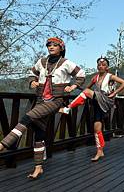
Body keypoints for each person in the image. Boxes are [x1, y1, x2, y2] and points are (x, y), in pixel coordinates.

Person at [0, 37, 85, 179]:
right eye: (49, 45)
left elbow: (81, 74)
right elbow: (32, 73)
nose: (51, 47)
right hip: (40, 100)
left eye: (54, 45)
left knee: (28, 117)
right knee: (39, 132)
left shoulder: (66, 63)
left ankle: (3, 145)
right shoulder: (42, 62)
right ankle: (38, 168)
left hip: (55, 101)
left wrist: (73, 86)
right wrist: (33, 81)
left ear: (61, 48)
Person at [60, 57, 124, 161]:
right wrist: (75, 87)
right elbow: (87, 89)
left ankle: (68, 108)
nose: (101, 66)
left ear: (107, 67)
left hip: (106, 99)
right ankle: (100, 151)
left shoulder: (110, 76)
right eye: (99, 65)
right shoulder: (95, 78)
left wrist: (114, 93)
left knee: (87, 92)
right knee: (97, 129)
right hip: (97, 102)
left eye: (103, 65)